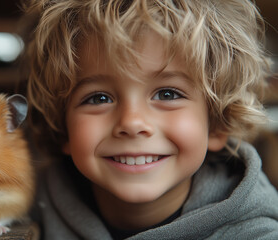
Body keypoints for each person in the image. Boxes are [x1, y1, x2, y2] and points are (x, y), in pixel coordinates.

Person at [22, 0, 278, 239]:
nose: (132, 123)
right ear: (62, 125)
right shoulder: (20, 207)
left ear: (217, 123)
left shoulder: (256, 232)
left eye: (167, 94)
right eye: (99, 98)